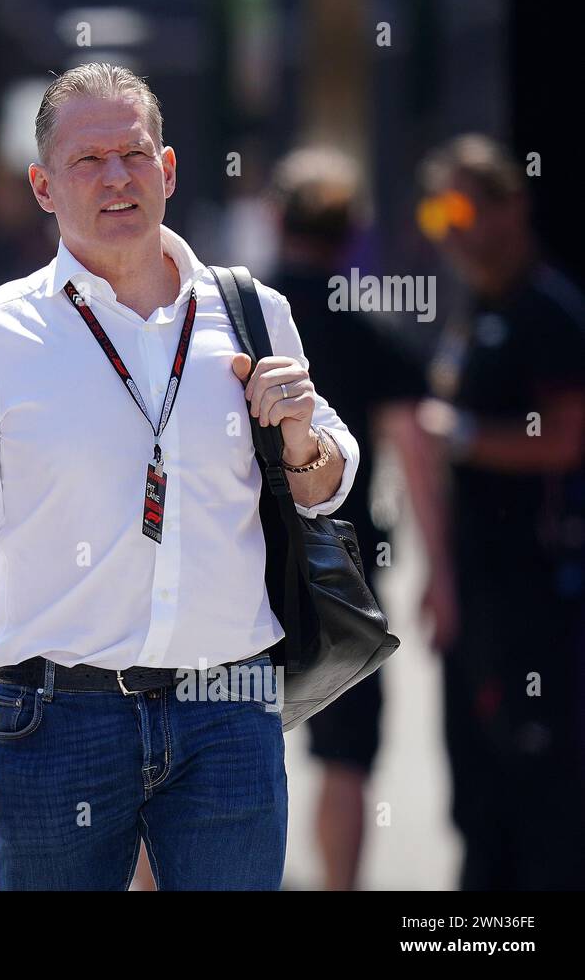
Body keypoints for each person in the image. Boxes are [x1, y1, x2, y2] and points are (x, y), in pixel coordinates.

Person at [0, 63, 360, 890]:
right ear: (42, 185)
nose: (117, 178)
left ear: (169, 168)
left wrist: (301, 444)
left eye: (134, 155)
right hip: (57, 721)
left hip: (231, 712)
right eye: (87, 161)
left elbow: (326, 480)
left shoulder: (253, 311)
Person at [266, 147, 452, 889]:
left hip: (236, 559)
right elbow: (415, 455)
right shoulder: (371, 326)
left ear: (277, 220)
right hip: (345, 571)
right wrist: (441, 572)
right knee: (345, 754)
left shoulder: (234, 316)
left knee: (194, 744)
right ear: (354, 234)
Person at [416, 134, 585, 889]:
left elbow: (564, 441)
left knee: (540, 786)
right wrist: (438, 574)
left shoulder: (547, 309)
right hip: (476, 589)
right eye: (435, 213)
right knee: (476, 786)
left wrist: (463, 437)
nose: (449, 229)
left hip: (538, 593)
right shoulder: (474, 306)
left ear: (510, 207)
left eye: (460, 207)